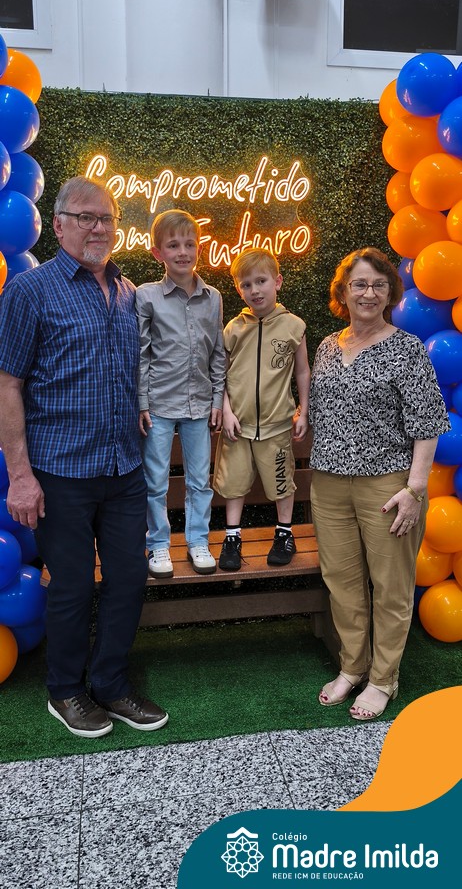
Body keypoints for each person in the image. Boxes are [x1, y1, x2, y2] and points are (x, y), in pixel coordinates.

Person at [0, 176, 169, 739]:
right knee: (72, 587)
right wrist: (20, 476)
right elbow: (7, 385)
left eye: (107, 218)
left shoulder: (126, 292)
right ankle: (66, 691)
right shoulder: (30, 291)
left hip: (123, 469)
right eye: (85, 217)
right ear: (59, 224)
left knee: (128, 579)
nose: (98, 228)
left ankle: (112, 684)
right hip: (60, 473)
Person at [309, 247, 450, 721]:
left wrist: (414, 490)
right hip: (329, 483)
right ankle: (353, 667)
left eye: (378, 285)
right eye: (359, 284)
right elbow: (320, 408)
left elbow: (428, 423)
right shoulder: (328, 346)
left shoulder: (407, 349)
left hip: (388, 487)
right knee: (342, 582)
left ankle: (383, 678)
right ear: (343, 292)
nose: (368, 293)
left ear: (390, 293)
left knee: (390, 586)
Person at [136, 208, 226, 578]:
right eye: (173, 245)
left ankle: (197, 541)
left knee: (199, 480)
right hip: (158, 404)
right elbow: (141, 354)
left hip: (199, 405)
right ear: (158, 252)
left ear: (199, 248)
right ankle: (158, 544)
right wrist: (142, 402)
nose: (183, 252)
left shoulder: (213, 297)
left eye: (189, 244)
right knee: (155, 480)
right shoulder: (147, 297)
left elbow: (217, 353)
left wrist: (218, 399)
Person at [213, 247, 310, 571]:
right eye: (246, 284)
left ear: (277, 282)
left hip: (276, 426)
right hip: (237, 427)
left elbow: (302, 371)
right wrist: (226, 411)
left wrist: (304, 409)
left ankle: (284, 533)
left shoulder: (294, 326)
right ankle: (232, 537)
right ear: (239, 289)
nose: (254, 290)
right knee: (234, 483)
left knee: (281, 482)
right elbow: (220, 375)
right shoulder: (233, 328)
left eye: (261, 281)